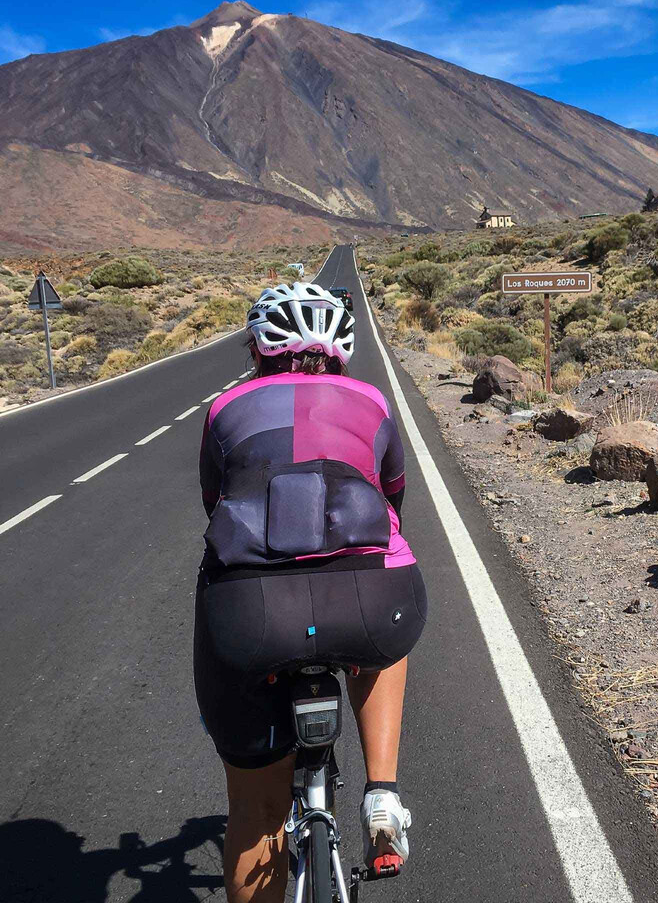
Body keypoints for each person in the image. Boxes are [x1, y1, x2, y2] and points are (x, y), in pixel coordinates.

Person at [194, 281, 427, 903]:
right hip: (374, 610)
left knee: (254, 811)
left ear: (257, 348)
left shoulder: (224, 408)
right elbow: (393, 497)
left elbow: (214, 505)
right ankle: (382, 792)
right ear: (341, 354)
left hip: (254, 618)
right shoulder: (372, 402)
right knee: (385, 560)